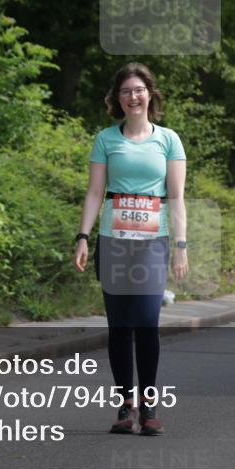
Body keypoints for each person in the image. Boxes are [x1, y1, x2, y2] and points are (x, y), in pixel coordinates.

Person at [73, 62, 187, 436]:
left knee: (147, 323)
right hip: (113, 242)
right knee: (120, 327)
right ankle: (126, 406)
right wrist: (83, 237)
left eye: (139, 90)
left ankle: (150, 404)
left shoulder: (168, 139)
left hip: (153, 243)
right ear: (117, 99)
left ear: (150, 94)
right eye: (126, 91)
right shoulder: (106, 139)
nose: (133, 96)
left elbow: (177, 198)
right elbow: (94, 193)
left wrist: (181, 246)